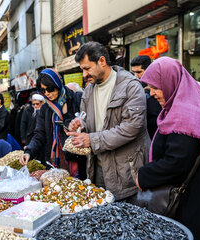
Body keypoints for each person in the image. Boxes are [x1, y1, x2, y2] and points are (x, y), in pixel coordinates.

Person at [135, 57, 200, 240]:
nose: (153, 94)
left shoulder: (185, 114)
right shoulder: (187, 105)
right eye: (150, 89)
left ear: (171, 82)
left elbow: (178, 162)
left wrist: (144, 175)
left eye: (157, 87)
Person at [68, 41, 150, 201]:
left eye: (87, 68)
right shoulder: (88, 90)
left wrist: (91, 140)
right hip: (98, 171)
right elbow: (86, 117)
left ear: (102, 61)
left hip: (127, 173)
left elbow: (132, 127)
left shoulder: (130, 86)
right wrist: (80, 124)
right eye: (82, 69)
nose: (84, 75)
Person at [20, 68, 87, 179]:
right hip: (56, 161)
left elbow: (90, 123)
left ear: (58, 83)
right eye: (43, 90)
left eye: (50, 89)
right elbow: (39, 134)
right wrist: (29, 152)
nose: (47, 93)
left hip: (78, 158)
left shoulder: (77, 99)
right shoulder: (45, 108)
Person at [131, 55, 162, 139]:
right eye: (134, 72)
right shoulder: (134, 86)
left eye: (139, 72)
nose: (136, 76)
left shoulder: (159, 86)